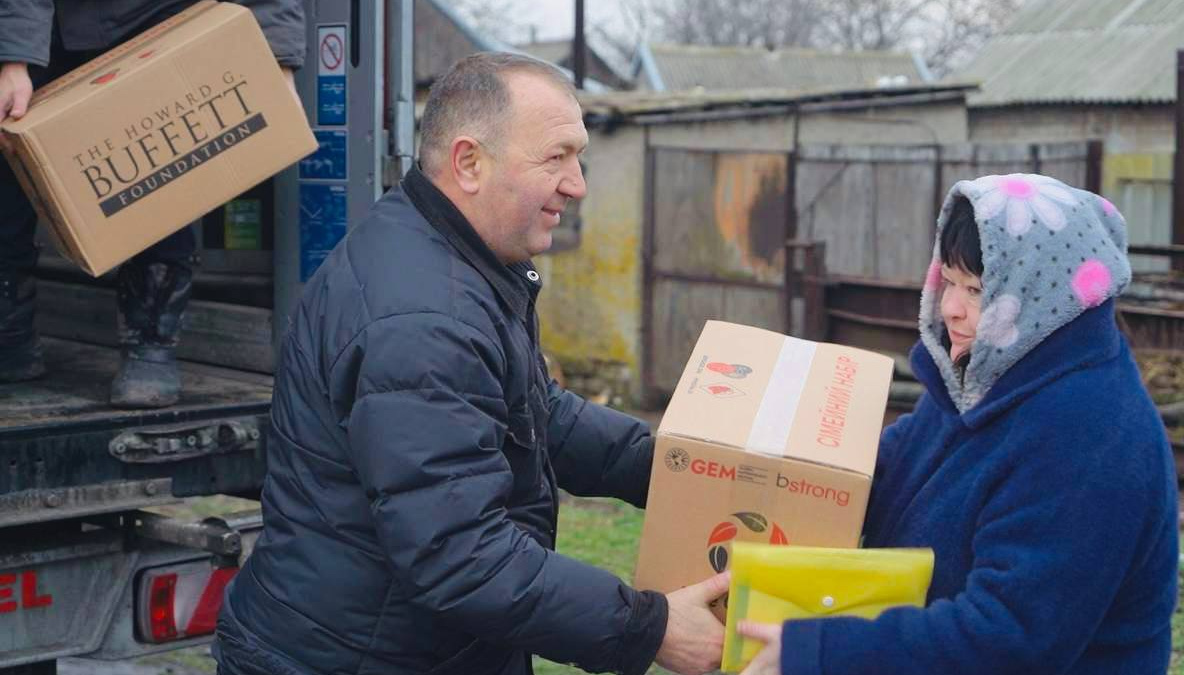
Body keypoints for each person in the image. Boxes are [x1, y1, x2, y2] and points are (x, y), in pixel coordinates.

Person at [213, 52, 729, 675]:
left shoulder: (453, 259)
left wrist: (677, 471)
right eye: (556, 157)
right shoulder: (427, 319)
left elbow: (531, 412)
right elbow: (460, 555)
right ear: (468, 163)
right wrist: (648, 628)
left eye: (579, 156)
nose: (578, 183)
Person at [737, 174, 1178, 674]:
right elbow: (881, 476)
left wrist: (821, 653)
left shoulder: (1091, 435)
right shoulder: (988, 383)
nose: (949, 307)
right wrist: (750, 470)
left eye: (977, 289)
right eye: (948, 280)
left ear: (1043, 298)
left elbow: (1010, 635)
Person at [0, 0, 304, 407]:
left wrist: (276, 59)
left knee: (153, 174)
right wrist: (14, 57)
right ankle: (11, 335)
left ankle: (151, 344)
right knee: (9, 169)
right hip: (46, 24)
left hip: (154, 16)